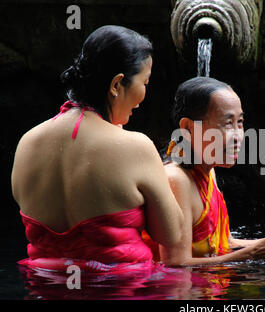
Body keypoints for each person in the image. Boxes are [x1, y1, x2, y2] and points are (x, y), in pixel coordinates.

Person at [11, 25, 183, 272]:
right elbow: (172, 234)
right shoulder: (135, 147)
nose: (145, 95)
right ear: (116, 85)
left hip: (45, 287)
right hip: (122, 290)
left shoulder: (27, 142)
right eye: (145, 82)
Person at [148, 77, 265, 266]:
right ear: (188, 128)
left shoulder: (208, 172)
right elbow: (176, 263)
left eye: (239, 122)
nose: (238, 136)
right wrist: (256, 252)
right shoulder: (177, 180)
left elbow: (222, 244)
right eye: (227, 124)